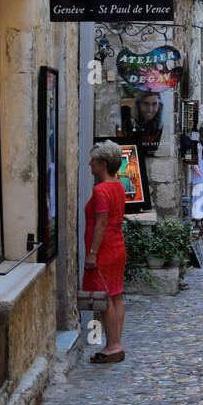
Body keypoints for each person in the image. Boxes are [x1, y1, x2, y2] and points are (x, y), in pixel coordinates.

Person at [83, 140, 127, 363]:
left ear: (103, 163)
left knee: (105, 297)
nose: (89, 163)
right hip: (117, 246)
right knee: (116, 294)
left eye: (94, 160)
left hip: (104, 249)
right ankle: (116, 343)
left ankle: (112, 346)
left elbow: (101, 224)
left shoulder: (101, 190)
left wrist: (92, 253)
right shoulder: (118, 185)